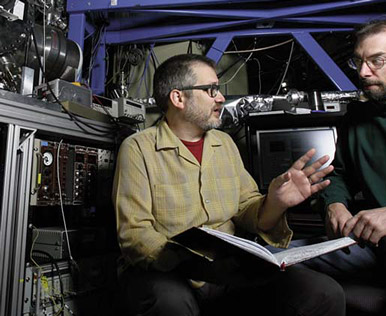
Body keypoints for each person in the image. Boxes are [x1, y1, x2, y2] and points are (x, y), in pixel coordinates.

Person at [112, 53, 345, 316]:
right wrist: (194, 264)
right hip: (171, 271)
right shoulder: (138, 149)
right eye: (210, 90)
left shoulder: (224, 144)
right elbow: (135, 235)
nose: (221, 98)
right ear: (178, 98)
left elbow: (247, 209)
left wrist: (275, 202)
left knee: (322, 293)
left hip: (227, 272)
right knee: (171, 303)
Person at [279, 18, 386, 315]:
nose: (363, 72)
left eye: (377, 61)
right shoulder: (356, 116)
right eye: (358, 61)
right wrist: (334, 205)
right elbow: (341, 175)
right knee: (275, 259)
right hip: (373, 245)